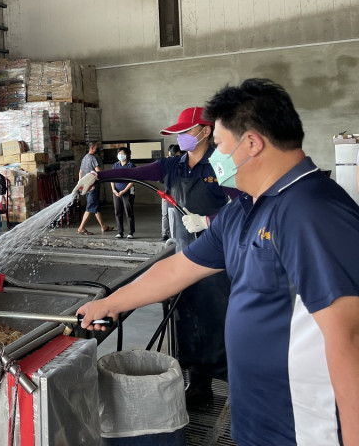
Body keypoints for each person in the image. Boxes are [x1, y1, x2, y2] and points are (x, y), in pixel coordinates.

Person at [76, 79, 359, 446]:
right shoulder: (244, 209)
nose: (217, 156)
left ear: (252, 143)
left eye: (222, 145)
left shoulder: (312, 212)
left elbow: (349, 340)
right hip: (258, 421)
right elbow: (178, 268)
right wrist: (111, 303)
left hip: (305, 429)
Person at [73, 107, 237, 405]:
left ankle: (239, 391)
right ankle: (199, 389)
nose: (182, 137)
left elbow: (246, 204)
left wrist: (210, 221)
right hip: (184, 254)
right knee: (187, 323)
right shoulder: (173, 166)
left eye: (186, 131)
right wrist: (97, 177)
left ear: (205, 131)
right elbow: (133, 173)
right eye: (179, 133)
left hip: (218, 261)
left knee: (220, 323)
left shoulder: (222, 164)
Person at [76, 142, 114, 235]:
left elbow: (80, 172)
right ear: (92, 148)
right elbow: (98, 171)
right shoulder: (93, 158)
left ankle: (103, 226)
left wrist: (81, 184)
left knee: (95, 206)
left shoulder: (84, 158)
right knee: (90, 207)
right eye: (96, 148)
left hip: (87, 187)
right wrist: (108, 175)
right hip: (93, 186)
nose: (97, 150)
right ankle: (81, 228)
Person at [111, 147, 135, 239]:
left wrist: (124, 191)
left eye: (122, 153)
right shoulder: (115, 165)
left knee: (128, 212)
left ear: (127, 155)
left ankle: (131, 232)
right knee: (118, 212)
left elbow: (132, 180)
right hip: (116, 192)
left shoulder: (130, 165)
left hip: (127, 192)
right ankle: (120, 232)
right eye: (119, 153)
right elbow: (112, 179)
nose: (120, 155)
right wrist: (114, 190)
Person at [161, 144, 182, 240]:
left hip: (180, 196)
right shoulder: (167, 164)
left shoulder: (183, 163)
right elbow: (161, 179)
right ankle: (166, 234)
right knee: (167, 215)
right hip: (168, 194)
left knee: (179, 216)